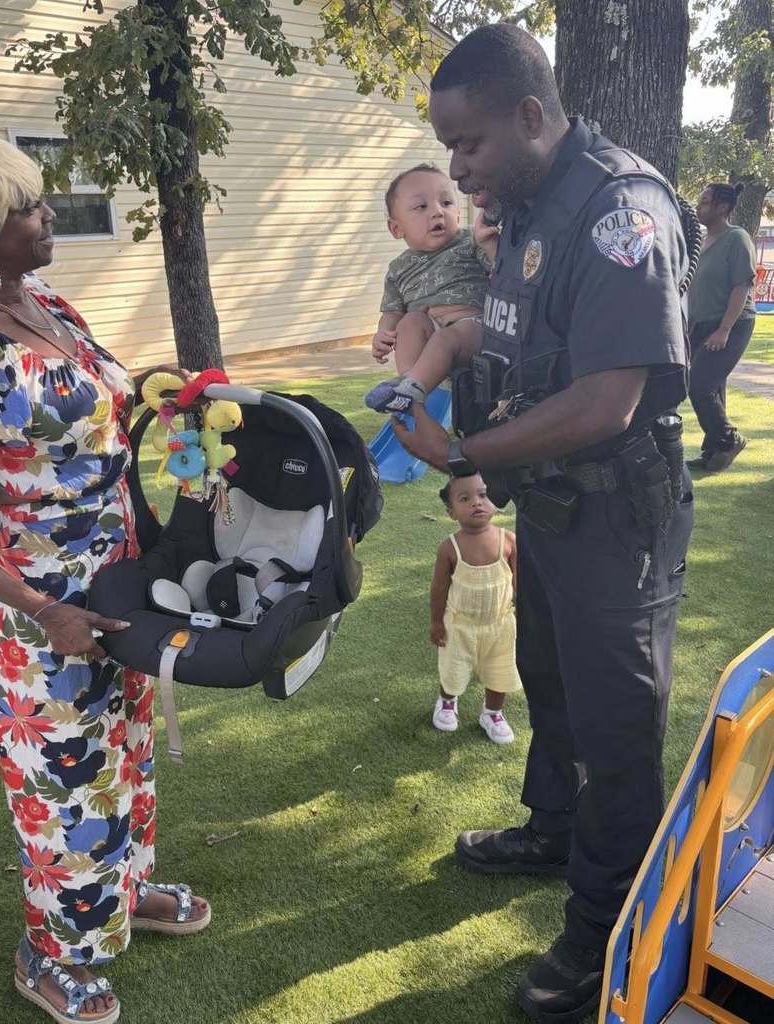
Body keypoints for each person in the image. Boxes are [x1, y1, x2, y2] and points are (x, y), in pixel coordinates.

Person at [390, 24, 694, 1024]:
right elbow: (515, 336)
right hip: (556, 512)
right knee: (554, 687)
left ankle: (608, 922)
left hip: (618, 520)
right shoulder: (526, 207)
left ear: (530, 116)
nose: (458, 168)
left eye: (468, 145)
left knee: (615, 729)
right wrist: (429, 363)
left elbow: (608, 398)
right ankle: (554, 830)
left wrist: (467, 455)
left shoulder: (618, 209)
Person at [0, 136, 210, 1024]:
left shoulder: (40, 298)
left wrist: (150, 387)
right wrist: (44, 608)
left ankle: (120, 898)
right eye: (28, 209)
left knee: (124, 749)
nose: (49, 217)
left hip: (117, 575)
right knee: (64, 770)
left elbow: (96, 400)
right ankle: (48, 951)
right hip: (41, 605)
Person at [364, 165, 498, 413]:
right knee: (410, 322)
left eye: (446, 203)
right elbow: (392, 313)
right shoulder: (398, 269)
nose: (437, 212)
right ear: (396, 228)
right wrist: (383, 334)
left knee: (445, 338)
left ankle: (413, 387)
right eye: (421, 207)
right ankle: (407, 384)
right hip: (431, 334)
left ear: (458, 214)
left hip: (475, 326)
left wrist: (489, 244)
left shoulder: (470, 241)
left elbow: (501, 270)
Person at [430, 473, 520, 743]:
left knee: (499, 670)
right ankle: (447, 702)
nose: (476, 503)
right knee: (453, 668)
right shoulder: (449, 548)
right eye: (465, 498)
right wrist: (436, 622)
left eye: (483, 495)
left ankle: (492, 713)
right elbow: (439, 589)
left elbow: (521, 582)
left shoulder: (509, 540)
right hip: (459, 625)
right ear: (451, 512)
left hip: (500, 625)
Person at [686, 182, 757, 473]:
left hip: (733, 322)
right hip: (702, 324)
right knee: (713, 386)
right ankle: (714, 452)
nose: (698, 206)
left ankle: (729, 439)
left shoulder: (736, 238)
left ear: (722, 207)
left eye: (705, 202)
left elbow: (741, 287)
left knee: (699, 384)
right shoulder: (701, 240)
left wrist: (725, 329)